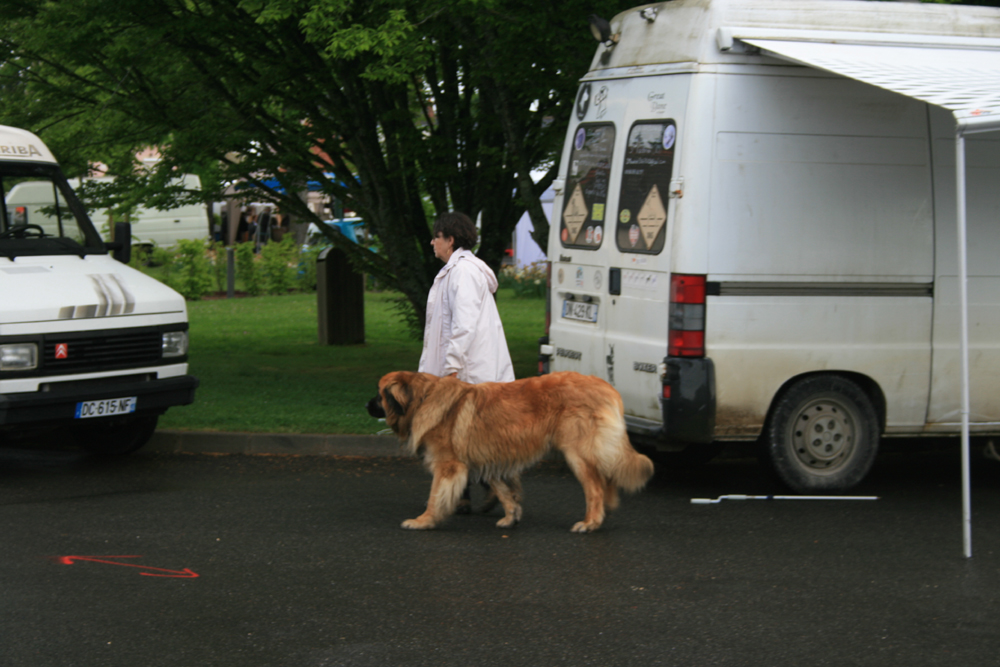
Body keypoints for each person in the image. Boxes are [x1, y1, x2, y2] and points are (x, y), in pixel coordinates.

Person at [418, 211, 514, 384]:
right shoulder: (455, 271)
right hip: (468, 377)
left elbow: (464, 323)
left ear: (450, 240)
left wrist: (451, 366)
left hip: (472, 378)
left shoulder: (464, 272)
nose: (432, 242)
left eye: (436, 237)